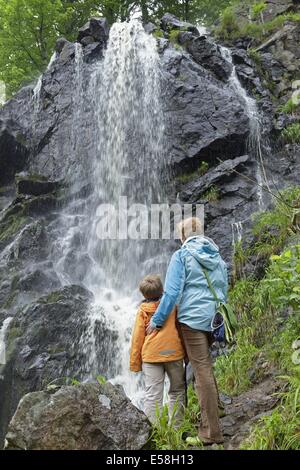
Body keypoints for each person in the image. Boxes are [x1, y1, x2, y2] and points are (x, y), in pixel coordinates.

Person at [146, 217, 228, 445]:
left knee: (200, 370)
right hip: (215, 319)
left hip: (192, 320)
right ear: (201, 233)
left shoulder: (182, 255)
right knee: (204, 365)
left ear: (182, 236)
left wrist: (157, 320)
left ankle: (211, 432)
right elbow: (223, 289)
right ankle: (217, 409)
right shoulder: (217, 257)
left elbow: (171, 293)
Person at [130, 274, 185, 425]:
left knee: (153, 395)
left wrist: (135, 363)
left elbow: (137, 337)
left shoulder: (142, 311)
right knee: (177, 391)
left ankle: (155, 431)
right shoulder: (172, 307)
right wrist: (185, 353)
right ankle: (177, 427)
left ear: (143, 294)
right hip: (173, 353)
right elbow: (180, 329)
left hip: (151, 357)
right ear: (162, 290)